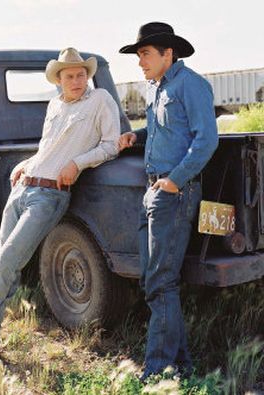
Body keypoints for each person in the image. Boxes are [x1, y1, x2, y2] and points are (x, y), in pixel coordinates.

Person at [0, 47, 121, 358]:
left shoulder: (100, 101)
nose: (77, 81)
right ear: (58, 80)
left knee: (7, 263)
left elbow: (111, 145)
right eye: (69, 76)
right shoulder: (55, 105)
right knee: (3, 266)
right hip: (23, 188)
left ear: (88, 76)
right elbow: (49, 147)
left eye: (81, 75)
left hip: (49, 197)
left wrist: (78, 163)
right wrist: (28, 162)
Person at [118, 22, 218, 380]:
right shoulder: (157, 88)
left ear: (167, 53)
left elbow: (206, 140)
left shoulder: (191, 85)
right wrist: (136, 135)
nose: (140, 62)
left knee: (161, 281)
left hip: (175, 193)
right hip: (154, 192)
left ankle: (158, 371)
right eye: (140, 55)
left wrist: (174, 181)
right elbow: (166, 131)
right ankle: (181, 364)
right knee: (151, 280)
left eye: (145, 54)